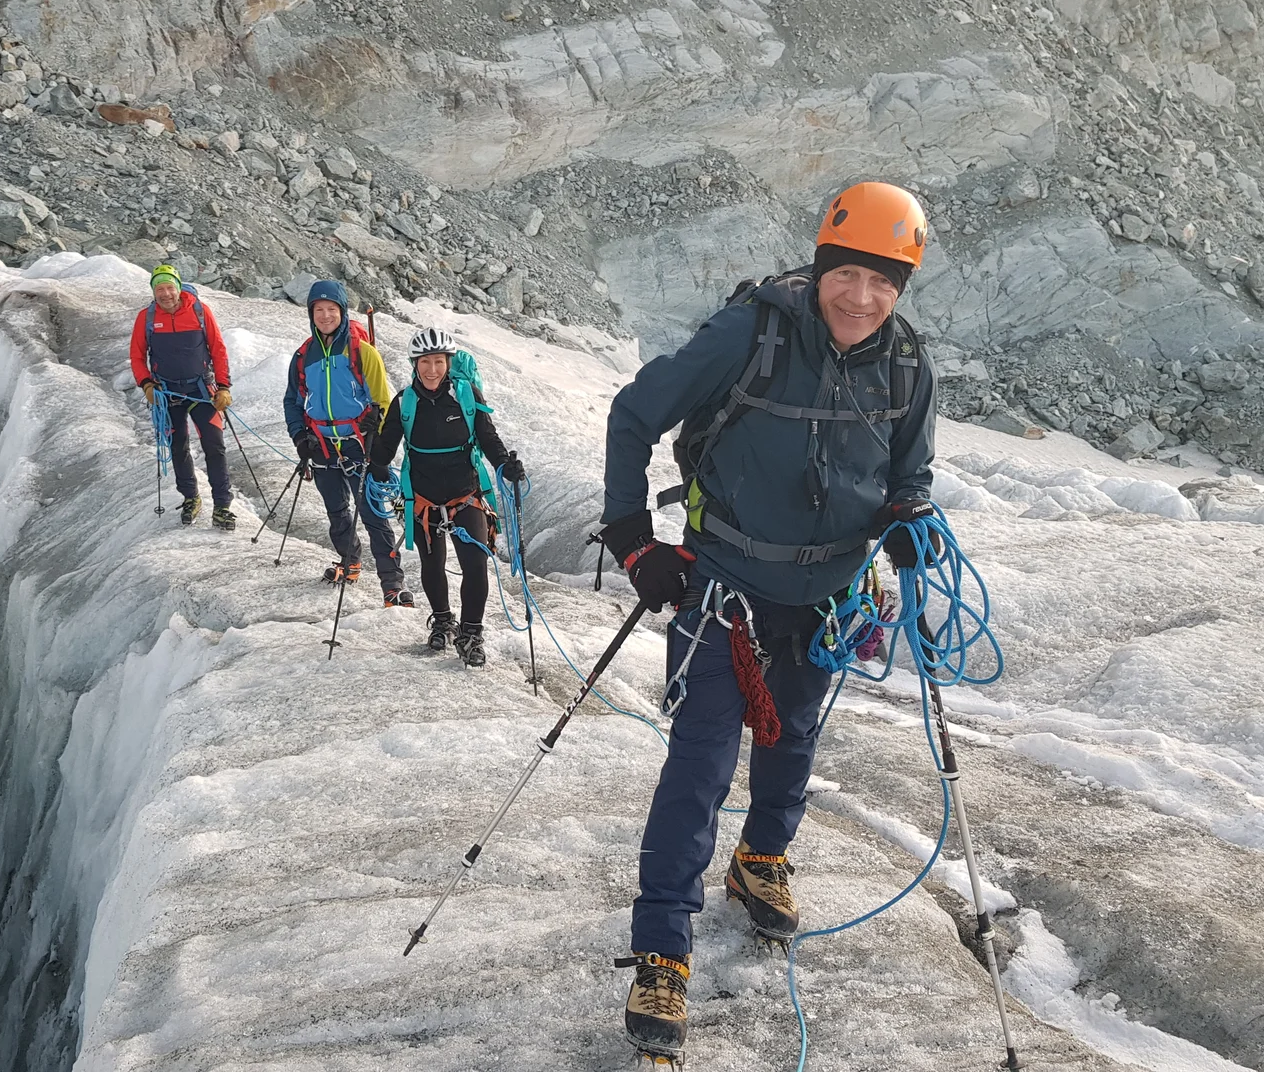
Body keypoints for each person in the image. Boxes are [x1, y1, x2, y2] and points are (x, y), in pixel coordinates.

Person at [596, 182, 939, 1062]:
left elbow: (911, 474)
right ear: (822, 265)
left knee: (790, 743)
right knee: (701, 767)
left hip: (829, 598)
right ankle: (662, 951)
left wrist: (907, 518)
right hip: (727, 592)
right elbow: (635, 413)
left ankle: (762, 859)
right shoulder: (751, 333)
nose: (863, 298)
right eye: (850, 274)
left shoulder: (906, 363)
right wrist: (635, 538)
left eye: (885, 283)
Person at [367, 328, 524, 665]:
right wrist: (371, 433)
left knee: (475, 566)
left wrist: (505, 465)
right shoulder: (404, 403)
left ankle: (471, 633)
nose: (432, 370)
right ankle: (442, 620)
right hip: (423, 500)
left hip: (466, 495)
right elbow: (382, 454)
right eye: (425, 362)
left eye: (439, 361)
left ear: (449, 364)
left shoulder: (467, 396)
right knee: (432, 564)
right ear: (415, 364)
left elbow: (488, 438)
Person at [282, 279, 412, 606]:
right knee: (337, 511)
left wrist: (374, 432)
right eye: (319, 310)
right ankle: (350, 561)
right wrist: (300, 437)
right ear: (311, 313)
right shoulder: (302, 356)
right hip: (322, 445)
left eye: (332, 309)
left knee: (371, 513)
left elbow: (382, 400)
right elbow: (293, 402)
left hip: (358, 445)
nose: (325, 316)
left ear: (341, 311)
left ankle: (392, 584)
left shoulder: (361, 352)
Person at [130, 264, 237, 528]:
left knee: (215, 445)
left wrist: (223, 386)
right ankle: (190, 497)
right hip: (167, 393)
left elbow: (218, 349)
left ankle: (222, 505)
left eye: (170, 287)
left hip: (201, 390)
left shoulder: (200, 312)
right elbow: (136, 355)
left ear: (178, 288)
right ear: (153, 292)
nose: (166, 294)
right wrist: (146, 384)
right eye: (160, 289)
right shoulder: (146, 317)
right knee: (178, 447)